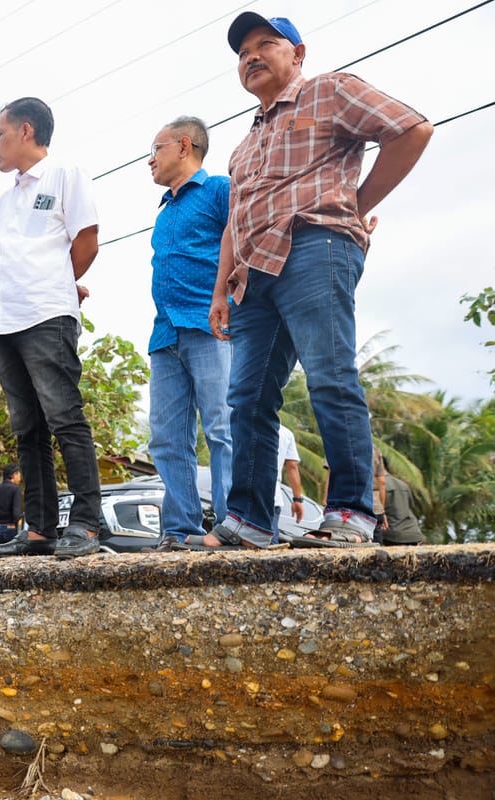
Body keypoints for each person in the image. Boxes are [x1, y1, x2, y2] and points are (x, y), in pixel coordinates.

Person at [198, 12, 432, 549]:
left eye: (265, 44)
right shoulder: (243, 146)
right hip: (253, 277)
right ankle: (250, 520)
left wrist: (355, 204)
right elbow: (236, 219)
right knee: (247, 398)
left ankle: (351, 512)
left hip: (315, 247)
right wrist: (220, 292)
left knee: (328, 375)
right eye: (242, 52)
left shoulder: (328, 92)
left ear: (297, 54)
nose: (251, 56)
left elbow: (411, 129)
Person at [0, 97, 109, 560]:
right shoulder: (6, 197)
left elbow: (87, 240)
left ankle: (86, 525)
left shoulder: (64, 173)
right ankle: (39, 529)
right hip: (6, 320)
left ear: (26, 131)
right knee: (27, 429)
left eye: (0, 134)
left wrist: (60, 284)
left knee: (64, 417)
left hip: (47, 315)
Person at [140, 115, 233, 551]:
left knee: (221, 426)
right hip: (165, 336)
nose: (150, 160)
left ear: (183, 146)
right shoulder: (166, 208)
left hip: (211, 325)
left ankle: (235, 524)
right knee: (166, 436)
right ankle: (180, 529)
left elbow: (245, 242)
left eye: (155, 150)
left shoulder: (219, 190)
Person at [380, 457, 425, 546]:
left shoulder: (377, 486)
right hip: (413, 532)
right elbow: (410, 507)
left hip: (393, 535)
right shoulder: (403, 484)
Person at [0, 463, 23, 546]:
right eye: (19, 475)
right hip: (10, 528)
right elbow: (16, 514)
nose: (20, 478)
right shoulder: (15, 489)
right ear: (14, 474)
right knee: (11, 556)